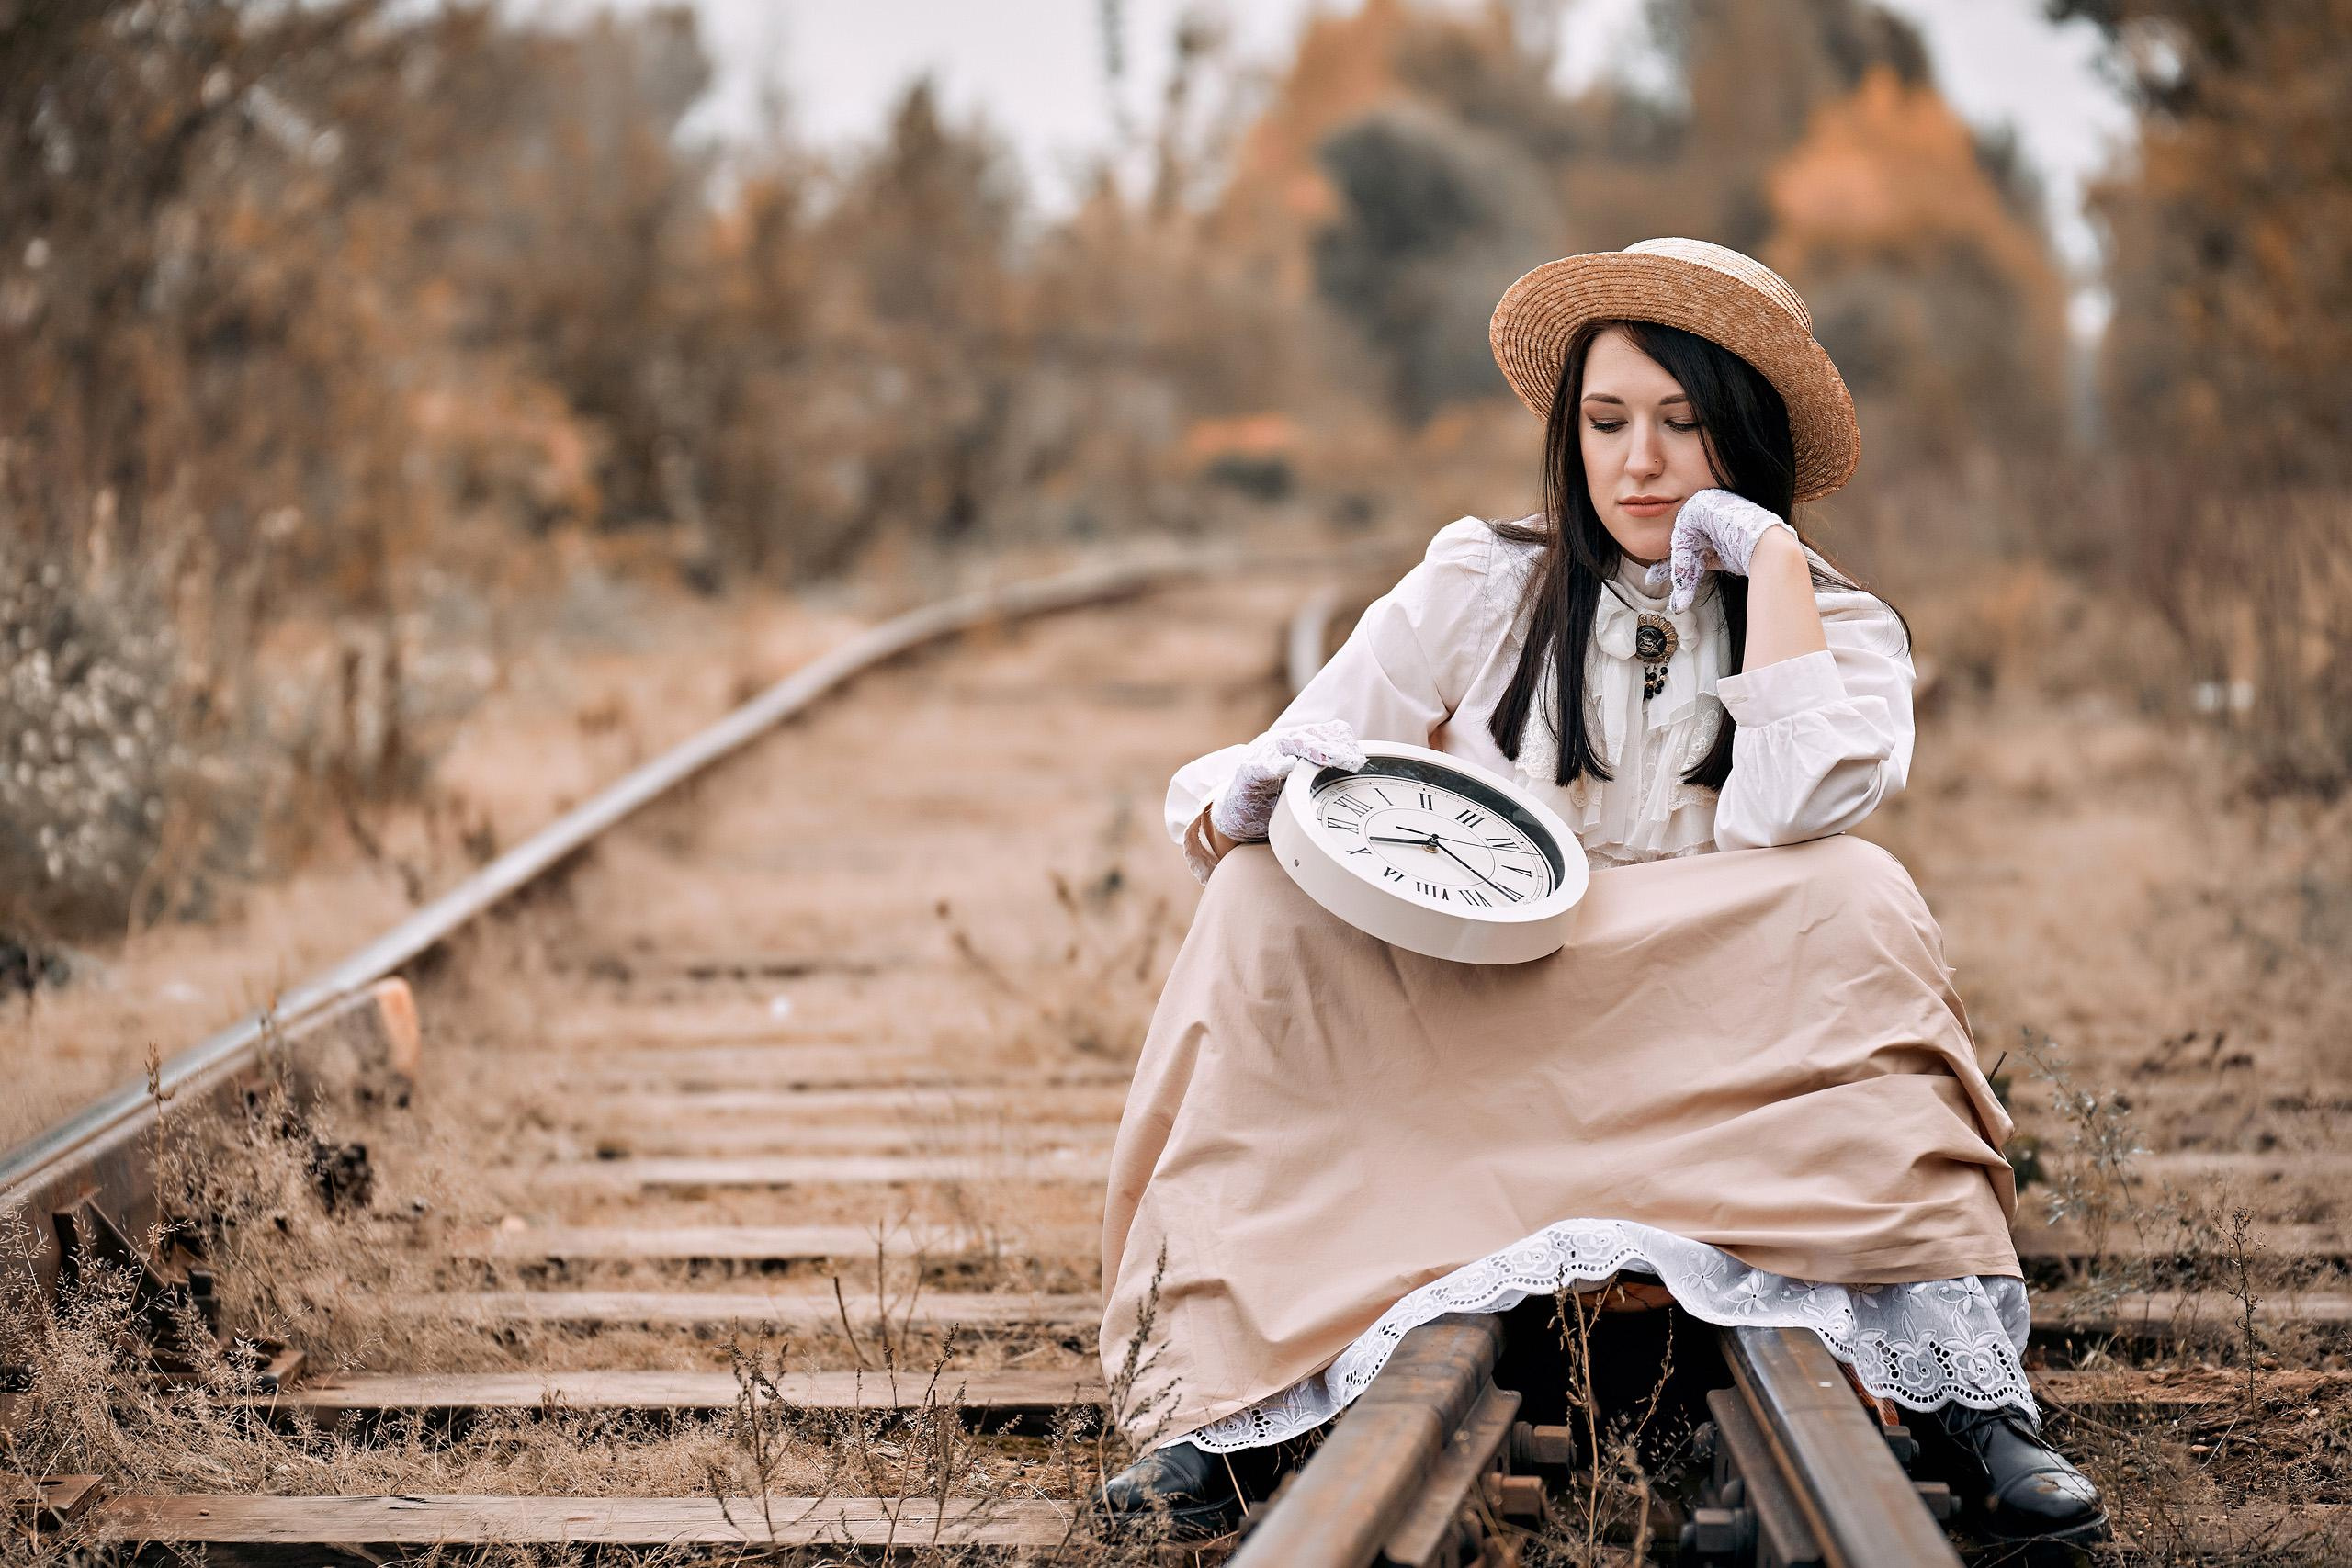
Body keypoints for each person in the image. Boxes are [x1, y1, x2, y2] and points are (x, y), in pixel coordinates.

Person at [1090, 240, 2108, 1547]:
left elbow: (1794, 812)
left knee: (1859, 894)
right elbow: (1301, 756)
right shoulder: (1483, 577)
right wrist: (1257, 800)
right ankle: (1220, 1415)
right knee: (1258, 901)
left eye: (1684, 425)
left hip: (1708, 1015)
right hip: (1490, 1007)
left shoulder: (1841, 629)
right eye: (1607, 423)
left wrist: (1775, 571)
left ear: (1745, 437)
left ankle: (1974, 1407)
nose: (1639, 462)